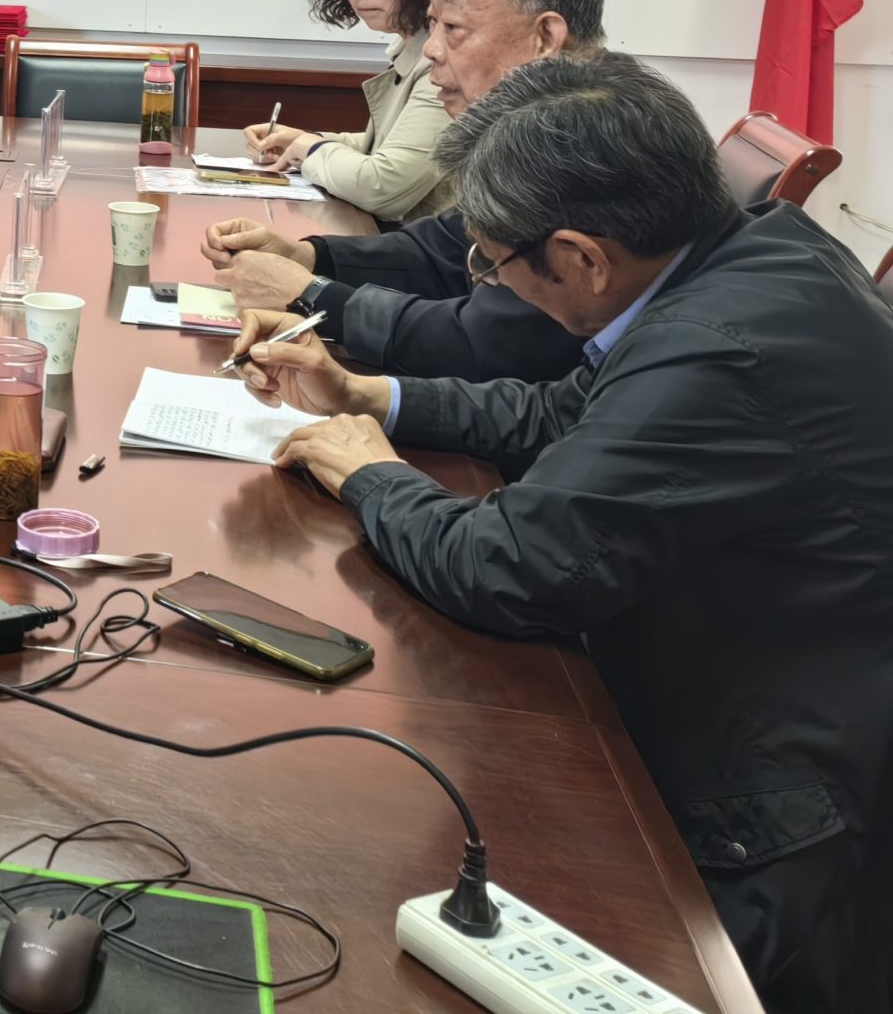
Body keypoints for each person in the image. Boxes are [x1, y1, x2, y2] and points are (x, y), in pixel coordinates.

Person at [245, 55, 893, 1008]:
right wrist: (373, 395)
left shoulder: (717, 351)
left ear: (584, 259)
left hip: (767, 807)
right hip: (740, 692)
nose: (487, 277)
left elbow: (511, 567)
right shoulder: (752, 250)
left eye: (491, 263)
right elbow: (566, 412)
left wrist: (372, 477)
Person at [202, 0, 602, 383]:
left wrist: (311, 294)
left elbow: (485, 343)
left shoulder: (585, 151)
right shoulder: (532, 127)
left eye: (452, 28)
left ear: (545, 37)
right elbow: (446, 248)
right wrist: (309, 256)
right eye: (432, 25)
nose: (431, 49)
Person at [244, 0, 455, 222]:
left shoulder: (446, 60)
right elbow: (385, 147)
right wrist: (305, 140)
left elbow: (383, 186)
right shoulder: (410, 45)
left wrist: (311, 149)